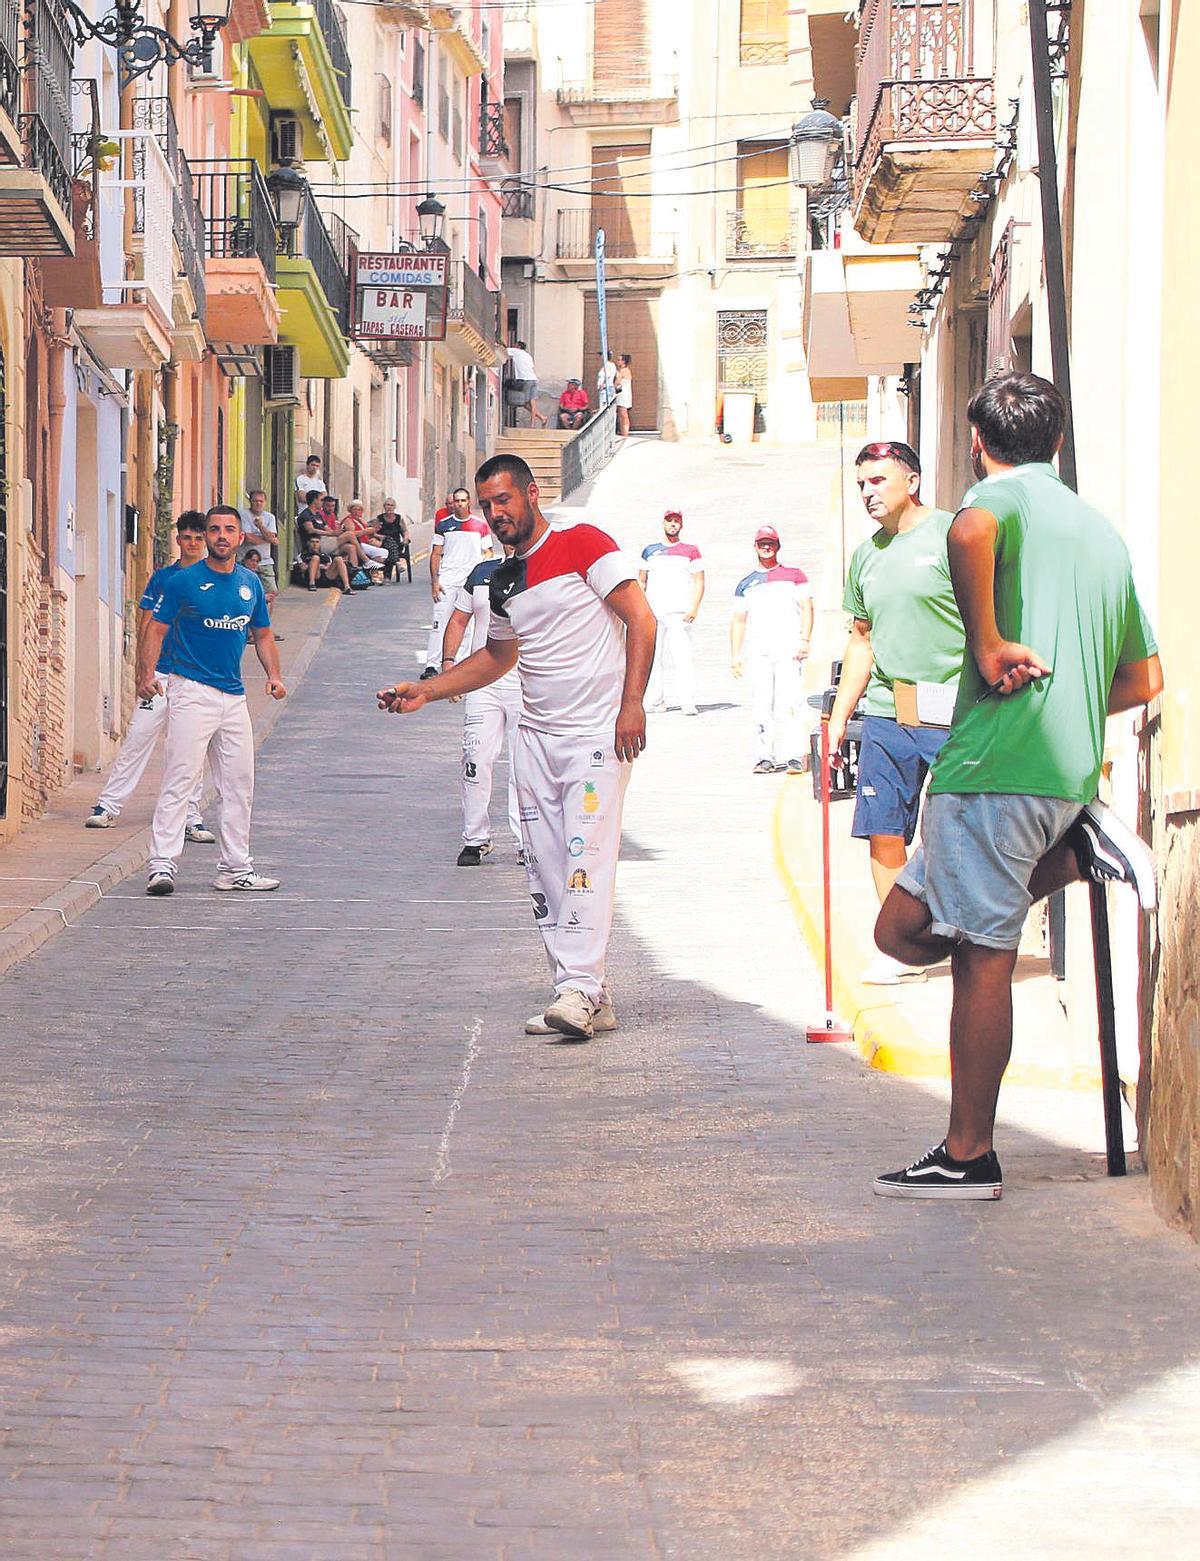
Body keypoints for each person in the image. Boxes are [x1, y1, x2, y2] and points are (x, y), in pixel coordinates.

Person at [872, 373, 1161, 1201]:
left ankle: (969, 1153)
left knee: (980, 961)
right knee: (901, 930)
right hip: (1057, 770)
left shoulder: (994, 505)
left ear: (977, 443)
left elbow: (967, 530)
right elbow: (1144, 677)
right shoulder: (1100, 532)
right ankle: (1074, 850)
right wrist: (1067, 698)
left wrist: (992, 641)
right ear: (1057, 441)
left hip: (994, 769)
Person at [378, 454, 657, 1041]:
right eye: (486, 505)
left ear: (531, 494)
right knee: (545, 868)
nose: (495, 513)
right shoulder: (502, 578)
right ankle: (585, 991)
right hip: (535, 737)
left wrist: (632, 704)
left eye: (504, 500)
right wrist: (427, 689)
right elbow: (498, 658)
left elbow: (642, 620)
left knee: (586, 859)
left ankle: (578, 988)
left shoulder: (585, 544)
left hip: (596, 736)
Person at [826, 441, 964, 985]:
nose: (867, 493)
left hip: (957, 713)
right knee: (884, 831)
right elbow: (862, 642)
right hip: (886, 714)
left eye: (878, 481)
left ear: (911, 480)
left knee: (953, 831)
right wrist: (840, 718)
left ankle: (958, 934)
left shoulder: (955, 536)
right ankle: (903, 948)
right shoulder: (866, 556)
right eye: (861, 484)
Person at [140, 505, 287, 897]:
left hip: (234, 697)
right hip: (190, 690)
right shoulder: (184, 582)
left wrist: (274, 676)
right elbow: (155, 629)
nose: (222, 536)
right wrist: (146, 676)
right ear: (206, 537)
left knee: (239, 785)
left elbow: (264, 633)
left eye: (229, 530)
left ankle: (235, 869)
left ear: (241, 538)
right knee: (180, 777)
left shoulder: (250, 584)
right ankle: (161, 865)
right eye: (215, 529)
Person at [84, 512, 214, 842]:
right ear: (179, 539)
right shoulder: (163, 579)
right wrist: (144, 671)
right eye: (188, 537)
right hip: (161, 672)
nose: (193, 543)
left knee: (189, 746)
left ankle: (191, 814)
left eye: (199, 537)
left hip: (196, 676)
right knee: (138, 737)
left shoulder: (215, 579)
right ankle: (108, 806)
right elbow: (147, 623)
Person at [440, 543, 524, 868]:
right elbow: (460, 620)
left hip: (525, 683)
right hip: (483, 681)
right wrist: (450, 663)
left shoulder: (541, 572)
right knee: (475, 757)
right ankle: (475, 838)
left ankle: (526, 842)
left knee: (525, 764)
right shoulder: (481, 573)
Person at [730, 526, 813, 774]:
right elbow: (739, 620)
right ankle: (765, 756)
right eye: (762, 543)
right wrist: (736, 654)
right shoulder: (745, 584)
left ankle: (794, 755)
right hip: (759, 651)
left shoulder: (795, 576)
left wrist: (805, 640)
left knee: (790, 702)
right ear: (755, 546)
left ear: (778, 546)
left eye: (771, 543)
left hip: (788, 649)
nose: (767, 547)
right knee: (761, 703)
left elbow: (807, 608)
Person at [422, 487, 493, 679]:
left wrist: (480, 573)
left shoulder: (480, 525)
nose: (459, 504)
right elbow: (436, 553)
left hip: (469, 582)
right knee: (439, 622)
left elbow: (488, 552)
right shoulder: (444, 525)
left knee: (466, 625)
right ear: (452, 503)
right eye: (457, 500)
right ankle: (432, 665)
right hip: (447, 580)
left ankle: (458, 665)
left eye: (463, 500)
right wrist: (434, 582)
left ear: (469, 502)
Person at [639, 507, 703, 716]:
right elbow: (641, 581)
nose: (673, 524)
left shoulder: (691, 551)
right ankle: (655, 701)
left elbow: (699, 581)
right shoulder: (650, 551)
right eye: (669, 521)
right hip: (654, 612)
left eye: (676, 521)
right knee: (653, 657)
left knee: (682, 657)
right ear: (663, 523)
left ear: (681, 525)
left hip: (680, 612)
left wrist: (694, 607)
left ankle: (687, 701)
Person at [296, 491, 352, 594]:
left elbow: (328, 529)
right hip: (317, 544)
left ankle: (347, 585)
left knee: (347, 549)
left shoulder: (318, 515)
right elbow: (310, 530)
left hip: (324, 546)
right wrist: (332, 534)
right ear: (314, 500)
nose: (323, 502)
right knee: (350, 536)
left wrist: (337, 532)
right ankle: (312, 583)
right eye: (321, 499)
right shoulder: (306, 515)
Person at [239, 489, 280, 622]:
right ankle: (249, 628)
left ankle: (264, 627)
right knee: (247, 593)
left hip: (265, 561)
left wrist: (261, 527)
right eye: (255, 501)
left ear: (265, 502)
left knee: (271, 592)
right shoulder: (243, 514)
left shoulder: (270, 517)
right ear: (250, 501)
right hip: (247, 561)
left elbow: (272, 537)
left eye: (261, 501)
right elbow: (248, 538)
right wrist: (269, 539)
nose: (258, 504)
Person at [507, 340, 547, 428]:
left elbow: (504, 351)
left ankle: (535, 422)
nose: (513, 347)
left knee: (524, 403)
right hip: (533, 379)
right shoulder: (528, 356)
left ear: (518, 346)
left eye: (515, 345)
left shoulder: (517, 352)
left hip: (526, 380)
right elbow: (532, 367)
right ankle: (540, 419)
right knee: (532, 402)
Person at [374, 498, 412, 582]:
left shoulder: (399, 518)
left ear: (394, 507)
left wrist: (406, 538)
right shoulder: (379, 518)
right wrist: (379, 536)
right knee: (387, 542)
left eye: (391, 505)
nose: (389, 507)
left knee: (390, 546)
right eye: (387, 505)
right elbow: (373, 532)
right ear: (384, 506)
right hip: (382, 543)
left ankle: (387, 577)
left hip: (397, 544)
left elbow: (405, 531)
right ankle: (396, 562)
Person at [614, 353, 633, 437]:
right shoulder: (622, 371)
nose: (617, 362)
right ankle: (622, 432)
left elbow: (617, 382)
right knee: (621, 415)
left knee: (623, 414)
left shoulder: (624, 371)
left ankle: (625, 433)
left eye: (619, 360)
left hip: (623, 394)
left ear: (623, 361)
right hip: (621, 394)